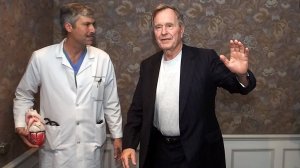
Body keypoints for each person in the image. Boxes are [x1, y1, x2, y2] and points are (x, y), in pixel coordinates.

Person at [121, 3, 256, 168]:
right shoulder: (148, 66)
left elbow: (237, 86)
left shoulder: (205, 59)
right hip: (158, 153)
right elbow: (138, 109)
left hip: (198, 153)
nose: (163, 32)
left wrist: (241, 74)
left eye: (169, 26)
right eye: (158, 27)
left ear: (181, 29)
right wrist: (129, 144)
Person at [13, 3, 122, 168]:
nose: (93, 29)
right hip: (56, 149)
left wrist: (117, 136)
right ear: (69, 27)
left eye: (93, 24)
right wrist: (21, 123)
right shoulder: (41, 58)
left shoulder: (102, 59)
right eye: (86, 24)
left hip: (90, 148)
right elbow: (23, 94)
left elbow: (111, 102)